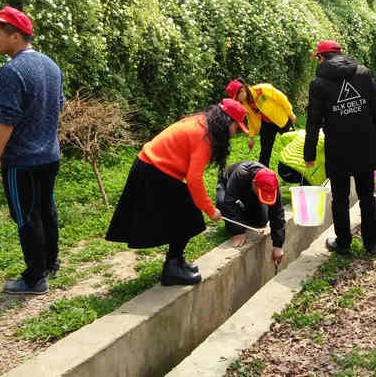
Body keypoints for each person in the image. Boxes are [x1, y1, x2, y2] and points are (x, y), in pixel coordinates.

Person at [105, 99, 249, 286]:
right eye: (236, 128)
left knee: (185, 215)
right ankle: (172, 268)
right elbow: (194, 180)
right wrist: (210, 209)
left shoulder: (203, 122)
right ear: (227, 122)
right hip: (153, 170)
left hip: (153, 167)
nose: (234, 133)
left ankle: (177, 262)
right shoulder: (204, 137)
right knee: (190, 217)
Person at [0, 6, 64, 295]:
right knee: (45, 209)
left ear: (15, 37)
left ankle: (34, 278)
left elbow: (6, 119)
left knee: (26, 215)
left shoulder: (12, 71)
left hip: (23, 161)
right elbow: (58, 105)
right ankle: (50, 262)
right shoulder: (51, 65)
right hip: (50, 155)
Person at [303, 40, 376, 256]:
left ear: (321, 57)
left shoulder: (318, 84)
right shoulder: (363, 73)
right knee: (367, 195)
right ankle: (372, 245)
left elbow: (313, 121)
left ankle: (343, 243)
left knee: (340, 198)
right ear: (340, 54)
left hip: (338, 148)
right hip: (366, 144)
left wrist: (309, 153)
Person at [216, 161, 285, 267]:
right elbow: (229, 201)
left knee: (261, 220)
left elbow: (277, 213)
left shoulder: (272, 183)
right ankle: (237, 213)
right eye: (263, 193)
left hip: (249, 192)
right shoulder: (241, 174)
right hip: (227, 185)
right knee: (223, 204)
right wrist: (238, 230)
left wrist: (278, 245)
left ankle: (240, 209)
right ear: (254, 183)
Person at [225, 79, 297, 166]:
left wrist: (290, 113)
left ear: (242, 90)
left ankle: (298, 168)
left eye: (236, 97)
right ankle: (263, 174)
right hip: (266, 125)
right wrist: (251, 137)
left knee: (293, 144)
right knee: (265, 152)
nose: (237, 101)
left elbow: (281, 98)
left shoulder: (263, 89)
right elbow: (250, 119)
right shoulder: (244, 104)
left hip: (282, 120)